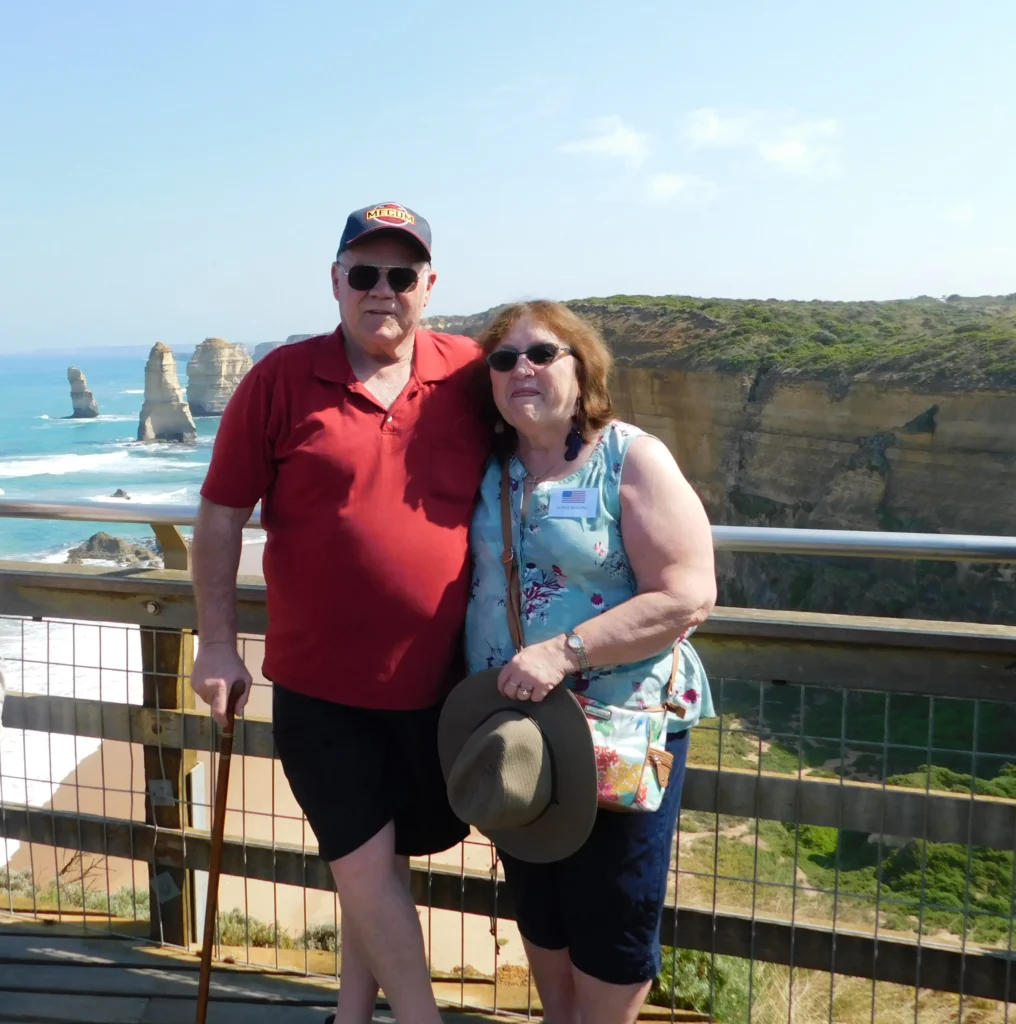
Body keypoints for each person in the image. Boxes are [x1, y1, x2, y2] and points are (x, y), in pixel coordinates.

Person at [189, 202, 491, 1024]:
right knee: (363, 867)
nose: (381, 291)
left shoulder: (470, 375)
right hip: (322, 691)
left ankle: (350, 1016)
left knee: (383, 866)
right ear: (335, 283)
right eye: (364, 274)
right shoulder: (281, 379)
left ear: (429, 286)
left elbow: (556, 443)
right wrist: (217, 645)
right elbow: (219, 515)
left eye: (401, 275)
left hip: (442, 688)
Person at [459, 300, 717, 1024]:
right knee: (540, 893)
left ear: (583, 367)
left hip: (620, 723)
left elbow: (690, 593)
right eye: (504, 360)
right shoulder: (490, 465)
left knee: (615, 902)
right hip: (517, 722)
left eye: (543, 354)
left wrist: (564, 651)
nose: (522, 370)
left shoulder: (630, 456)